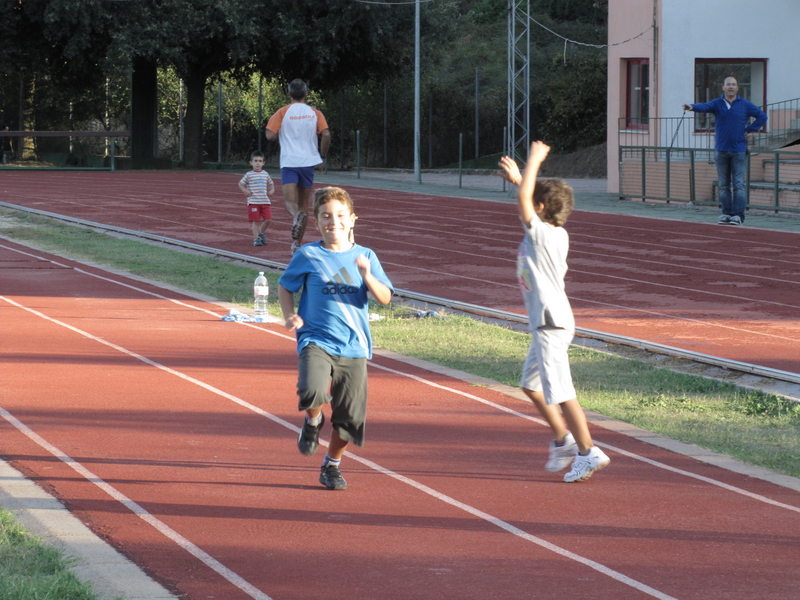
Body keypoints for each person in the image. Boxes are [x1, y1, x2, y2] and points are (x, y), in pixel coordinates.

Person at [498, 142, 610, 483]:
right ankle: (563, 440)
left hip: (550, 322)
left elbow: (525, 203)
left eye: (532, 200)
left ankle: (588, 452)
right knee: (531, 385)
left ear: (540, 207)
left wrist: (533, 161)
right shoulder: (551, 232)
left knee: (561, 392)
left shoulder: (543, 235)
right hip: (547, 322)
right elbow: (528, 198)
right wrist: (521, 180)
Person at [278, 186, 393, 490]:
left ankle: (331, 465)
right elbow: (285, 286)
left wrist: (368, 276)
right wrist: (289, 314)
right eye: (326, 216)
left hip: (354, 347)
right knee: (311, 390)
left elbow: (385, 298)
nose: (334, 222)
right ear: (316, 221)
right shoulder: (309, 255)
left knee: (349, 419)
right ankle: (314, 421)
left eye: (341, 215)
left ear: (353, 219)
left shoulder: (366, 256)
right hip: (315, 340)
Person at [683, 77, 767, 226]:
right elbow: (704, 106)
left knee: (739, 184)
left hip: (738, 151)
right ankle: (726, 214)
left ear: (737, 88)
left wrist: (748, 130)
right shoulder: (717, 103)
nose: (731, 87)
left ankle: (738, 216)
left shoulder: (745, 105)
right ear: (723, 87)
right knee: (723, 185)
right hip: (721, 150)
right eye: (728, 84)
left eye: (733, 84)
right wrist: (692, 106)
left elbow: (762, 116)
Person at [266, 79, 331, 253]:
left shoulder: (282, 112)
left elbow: (269, 135)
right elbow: (326, 134)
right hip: (308, 163)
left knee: (289, 201)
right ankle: (298, 244)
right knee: (303, 205)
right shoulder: (315, 113)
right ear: (306, 93)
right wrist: (322, 156)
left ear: (289, 94)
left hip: (289, 162)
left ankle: (296, 217)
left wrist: (283, 131)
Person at [238, 150, 275, 246]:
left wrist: (271, 191)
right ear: (251, 162)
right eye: (255, 161)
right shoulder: (249, 174)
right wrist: (246, 191)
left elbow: (271, 184)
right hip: (253, 202)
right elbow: (241, 184)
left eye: (260, 161)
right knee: (256, 221)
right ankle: (256, 239)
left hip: (265, 201)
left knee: (268, 220)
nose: (258, 163)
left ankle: (261, 233)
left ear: (263, 163)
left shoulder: (265, 174)